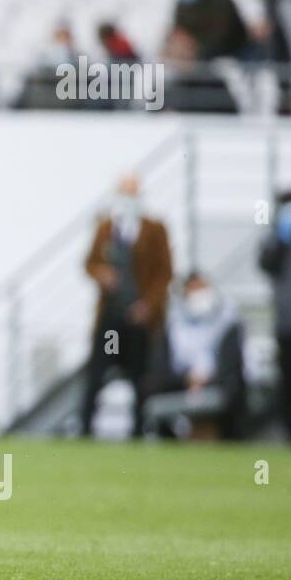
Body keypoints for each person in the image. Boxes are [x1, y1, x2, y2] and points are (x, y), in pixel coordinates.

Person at [78, 174, 173, 438]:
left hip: (139, 318)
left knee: (139, 376)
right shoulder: (107, 228)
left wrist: (148, 306)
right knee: (97, 372)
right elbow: (89, 263)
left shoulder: (154, 229)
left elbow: (165, 273)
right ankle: (86, 428)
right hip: (112, 318)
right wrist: (102, 274)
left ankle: (139, 430)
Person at [145, 272, 247, 440]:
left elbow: (232, 365)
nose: (198, 294)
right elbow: (162, 366)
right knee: (152, 385)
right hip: (181, 383)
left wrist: (206, 379)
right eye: (193, 289)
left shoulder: (228, 322)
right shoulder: (173, 325)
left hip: (216, 382)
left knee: (233, 389)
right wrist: (187, 379)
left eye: (202, 288)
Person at [258, 190, 291, 444]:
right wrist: (281, 239)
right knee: (290, 383)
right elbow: (266, 264)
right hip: (288, 324)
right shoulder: (276, 237)